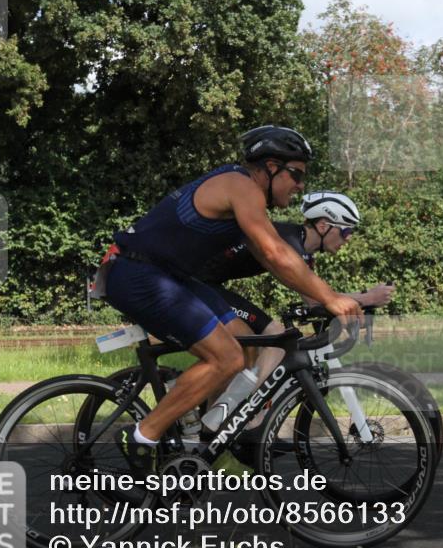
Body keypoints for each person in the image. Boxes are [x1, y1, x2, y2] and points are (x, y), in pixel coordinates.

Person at [100, 125, 362, 475]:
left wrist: (325, 297)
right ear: (271, 167)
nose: (301, 186)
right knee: (227, 357)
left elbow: (275, 260)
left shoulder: (248, 202)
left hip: (167, 274)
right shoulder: (242, 187)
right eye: (296, 174)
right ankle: (143, 436)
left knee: (240, 342)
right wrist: (331, 298)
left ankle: (196, 421)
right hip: (140, 273)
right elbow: (276, 253)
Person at [196, 191, 394, 386]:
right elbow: (316, 300)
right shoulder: (290, 243)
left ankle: (218, 411)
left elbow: (320, 296)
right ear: (323, 225)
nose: (349, 238)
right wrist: (367, 298)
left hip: (207, 284)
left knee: (247, 348)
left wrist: (361, 299)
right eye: (346, 231)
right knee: (271, 335)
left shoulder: (300, 246)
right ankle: (257, 415)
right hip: (197, 283)